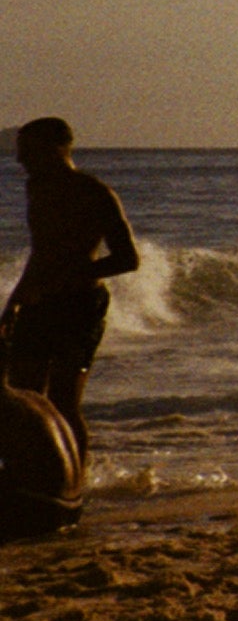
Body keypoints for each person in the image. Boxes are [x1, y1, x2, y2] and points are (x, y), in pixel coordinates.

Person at [1, 119, 139, 466]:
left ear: (59, 147)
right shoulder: (37, 189)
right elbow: (40, 252)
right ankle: (31, 469)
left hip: (81, 305)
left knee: (64, 399)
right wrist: (15, 300)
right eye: (20, 152)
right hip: (38, 303)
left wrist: (73, 274)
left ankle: (75, 472)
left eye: (28, 151)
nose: (20, 160)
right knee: (26, 396)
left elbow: (128, 259)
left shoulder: (94, 192)